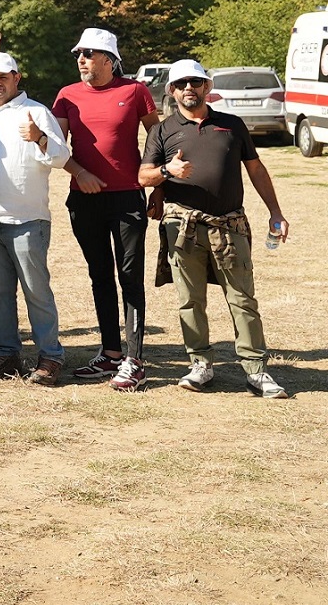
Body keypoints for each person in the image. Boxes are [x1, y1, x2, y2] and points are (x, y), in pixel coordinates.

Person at [141, 59, 291, 399]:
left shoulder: (231, 125)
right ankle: (200, 365)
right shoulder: (162, 131)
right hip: (183, 227)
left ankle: (256, 370)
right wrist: (168, 171)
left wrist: (275, 212)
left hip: (230, 224)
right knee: (190, 300)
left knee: (242, 299)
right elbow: (143, 176)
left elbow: (255, 169)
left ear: (207, 87)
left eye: (196, 82)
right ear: (171, 90)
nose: (188, 89)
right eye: (181, 84)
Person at [52, 27, 159, 392]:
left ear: (109, 58)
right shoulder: (67, 95)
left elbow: (156, 139)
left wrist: (156, 184)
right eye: (78, 54)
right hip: (84, 199)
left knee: (130, 276)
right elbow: (55, 147)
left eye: (88, 53)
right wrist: (77, 174)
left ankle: (135, 359)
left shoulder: (135, 91)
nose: (81, 59)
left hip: (127, 197)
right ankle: (111, 352)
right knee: (99, 274)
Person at [0, 51, 70, 385]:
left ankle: (50, 356)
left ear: (16, 78)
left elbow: (61, 157)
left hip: (27, 220)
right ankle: (6, 354)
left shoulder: (36, 111)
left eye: (3, 76)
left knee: (36, 291)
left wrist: (39, 137)